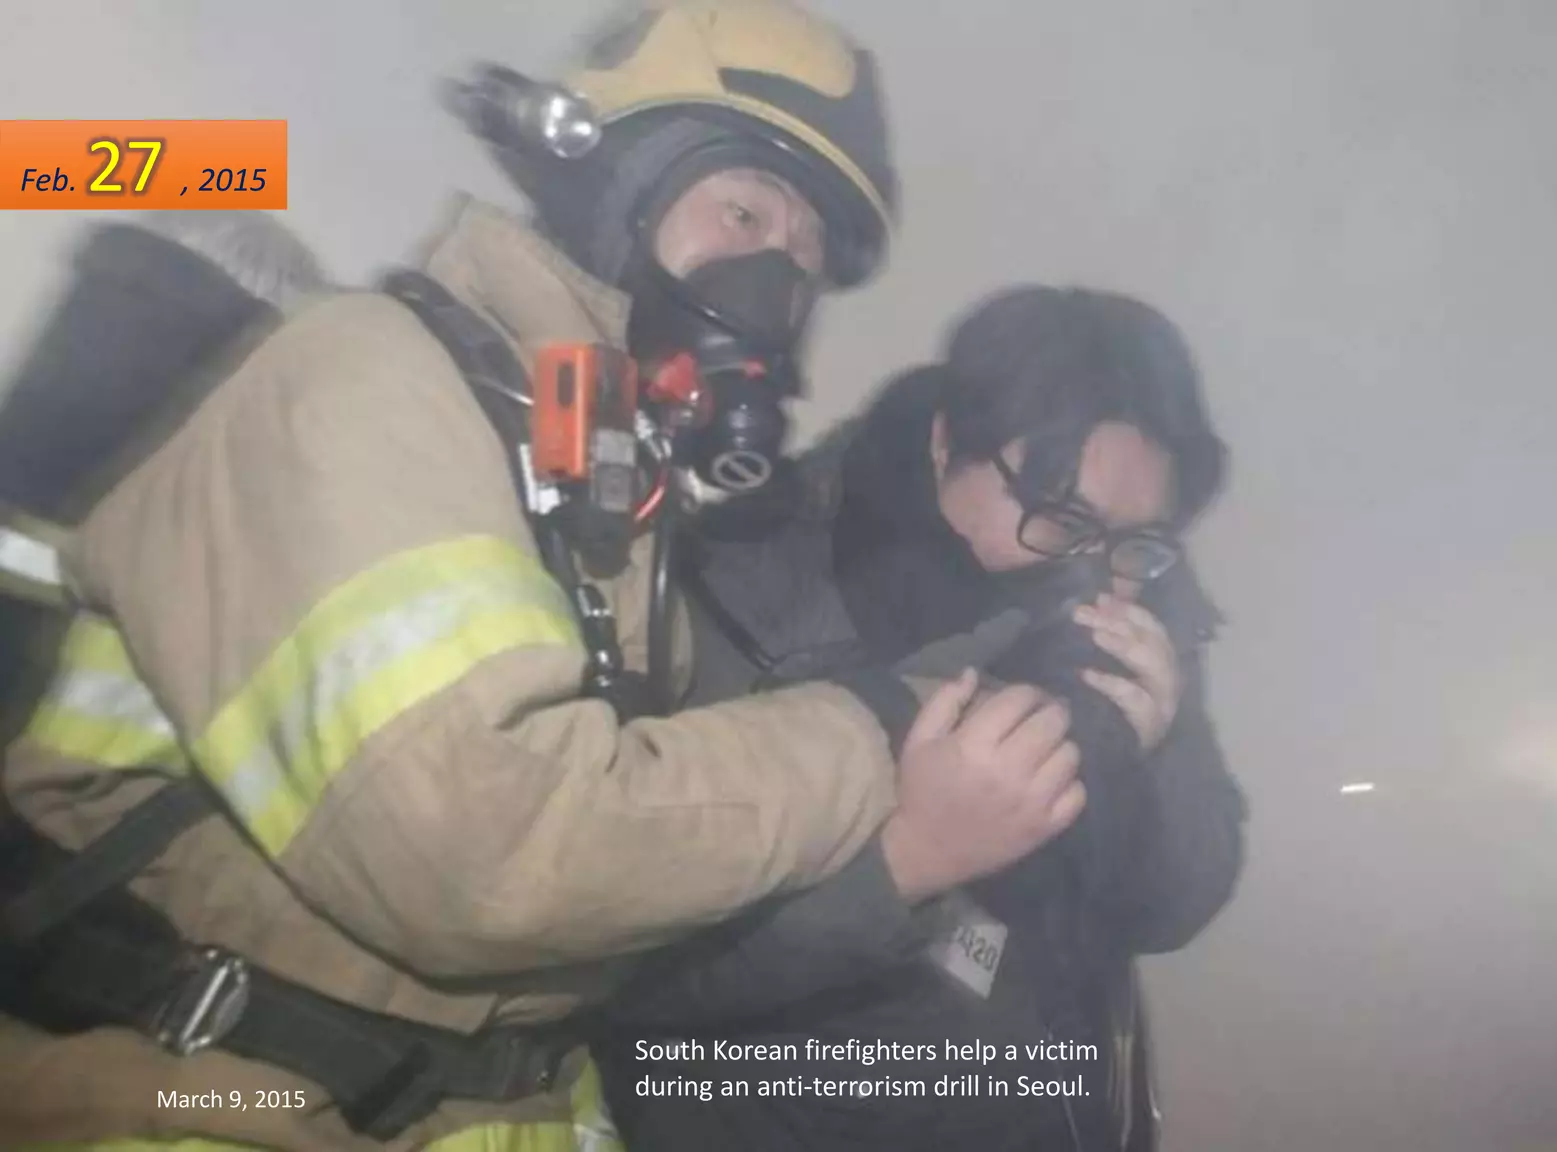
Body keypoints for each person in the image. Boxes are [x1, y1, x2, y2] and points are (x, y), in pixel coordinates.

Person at [0, 4, 1086, 1149]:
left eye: (806, 262)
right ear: (612, 184)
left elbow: (626, 915)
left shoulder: (599, 501)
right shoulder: (369, 381)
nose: (774, 282)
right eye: (743, 212)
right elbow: (483, 861)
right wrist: (872, 729)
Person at [594, 285, 1248, 1152]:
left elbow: (1173, 907)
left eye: (1136, 542)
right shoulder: (730, 595)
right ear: (947, 444)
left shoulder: (1138, 607)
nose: (1096, 575)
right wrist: (908, 860)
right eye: (1061, 519)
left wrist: (1148, 763)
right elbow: (630, 993)